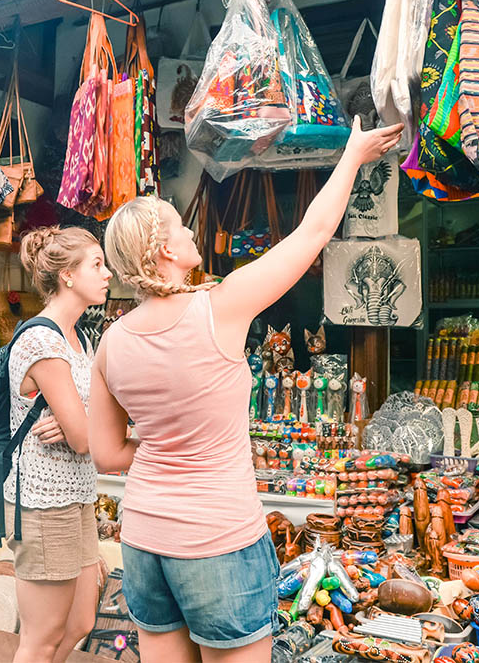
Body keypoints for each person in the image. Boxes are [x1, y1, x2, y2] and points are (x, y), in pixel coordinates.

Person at [89, 116, 402, 662]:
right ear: (164, 250)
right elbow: (312, 234)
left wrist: (167, 447)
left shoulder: (111, 343)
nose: (191, 231)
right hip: (218, 539)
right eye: (179, 227)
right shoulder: (219, 307)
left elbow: (109, 453)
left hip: (143, 540)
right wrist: (351, 156)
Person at [6, 226, 112, 663]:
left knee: (81, 621)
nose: (107, 274)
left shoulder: (79, 339)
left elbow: (87, 427)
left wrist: (81, 424)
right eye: (96, 264)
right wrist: (83, 427)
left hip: (76, 497)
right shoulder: (43, 342)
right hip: (42, 502)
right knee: (40, 638)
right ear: (67, 275)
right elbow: (87, 438)